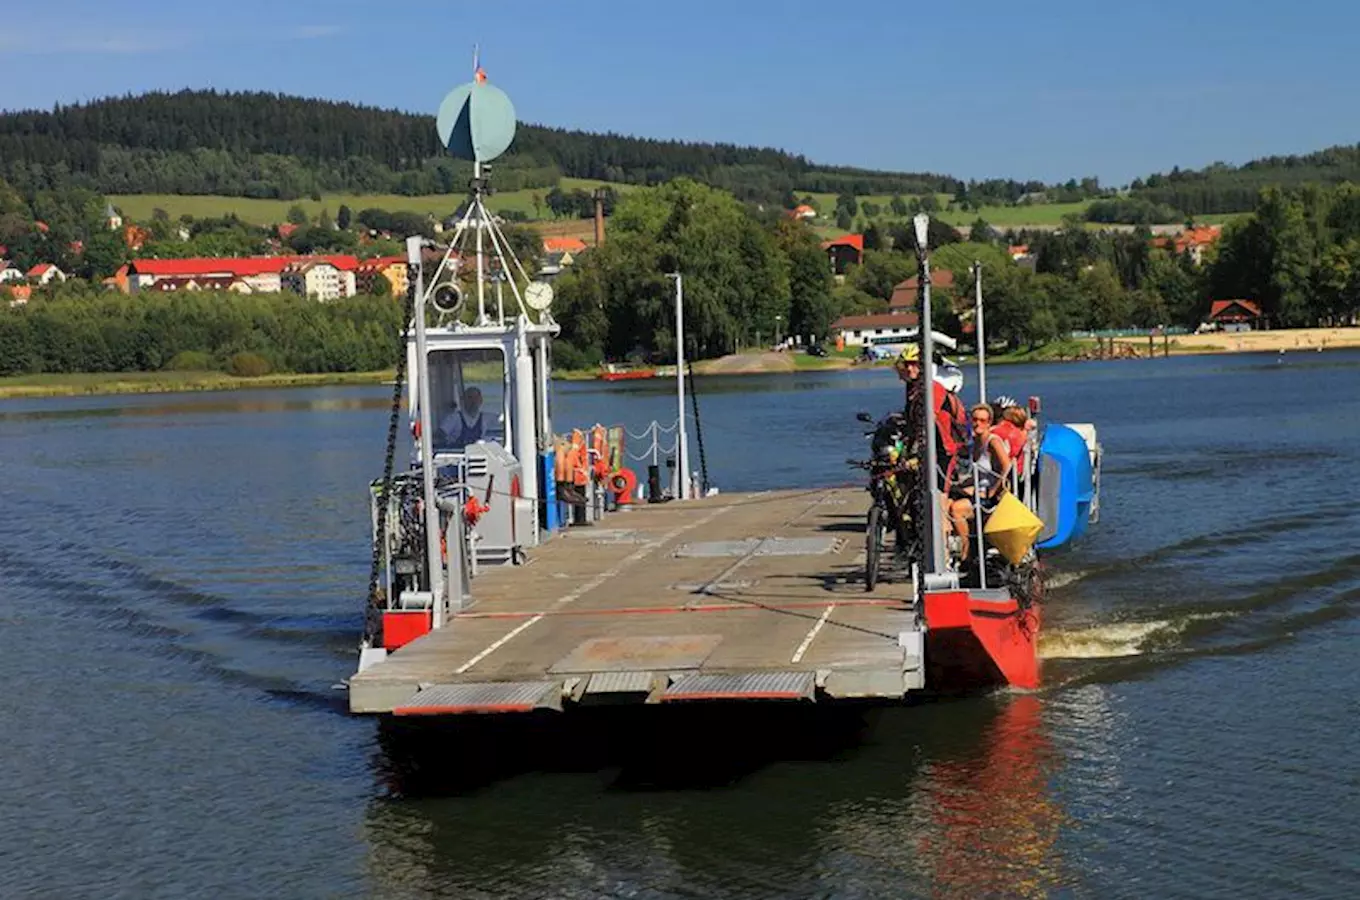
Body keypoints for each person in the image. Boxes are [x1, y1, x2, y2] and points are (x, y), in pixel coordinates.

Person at [947, 403, 1012, 564]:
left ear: (989, 423)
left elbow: (1007, 466)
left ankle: (966, 551)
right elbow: (978, 473)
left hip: (989, 498)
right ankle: (949, 551)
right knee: (945, 502)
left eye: (983, 421)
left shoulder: (992, 442)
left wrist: (994, 490)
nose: (978, 424)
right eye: (975, 420)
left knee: (956, 509)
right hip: (977, 491)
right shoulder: (974, 443)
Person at [894, 344, 967, 483]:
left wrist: (917, 454)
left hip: (944, 450)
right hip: (928, 448)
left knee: (939, 495)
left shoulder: (933, 388)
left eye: (914, 364)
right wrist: (906, 450)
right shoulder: (912, 388)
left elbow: (927, 421)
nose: (909, 368)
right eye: (906, 364)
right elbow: (912, 424)